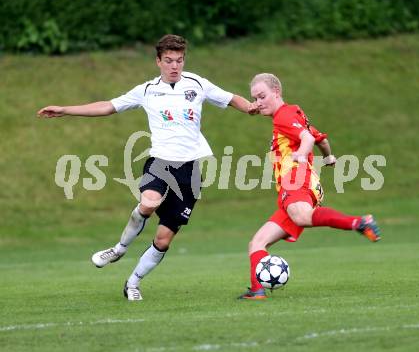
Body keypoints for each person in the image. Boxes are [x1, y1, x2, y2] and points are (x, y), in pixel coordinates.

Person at [38, 34, 257, 301]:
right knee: (149, 203)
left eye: (179, 60)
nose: (174, 66)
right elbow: (108, 106)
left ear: (184, 60)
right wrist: (66, 109)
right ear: (158, 61)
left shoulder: (198, 84)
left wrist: (250, 107)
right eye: (168, 61)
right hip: (160, 162)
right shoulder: (147, 90)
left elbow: (233, 98)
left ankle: (132, 283)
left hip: (190, 170)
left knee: (164, 239)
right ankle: (119, 249)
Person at [238, 73, 381, 300]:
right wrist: (329, 157)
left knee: (303, 216)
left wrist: (302, 155)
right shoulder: (293, 115)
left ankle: (360, 222)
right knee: (257, 242)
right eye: (255, 98)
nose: (258, 102)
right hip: (299, 184)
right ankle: (257, 290)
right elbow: (320, 138)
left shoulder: (283, 116)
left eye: (262, 96)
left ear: (277, 93)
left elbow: (307, 138)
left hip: (296, 179)